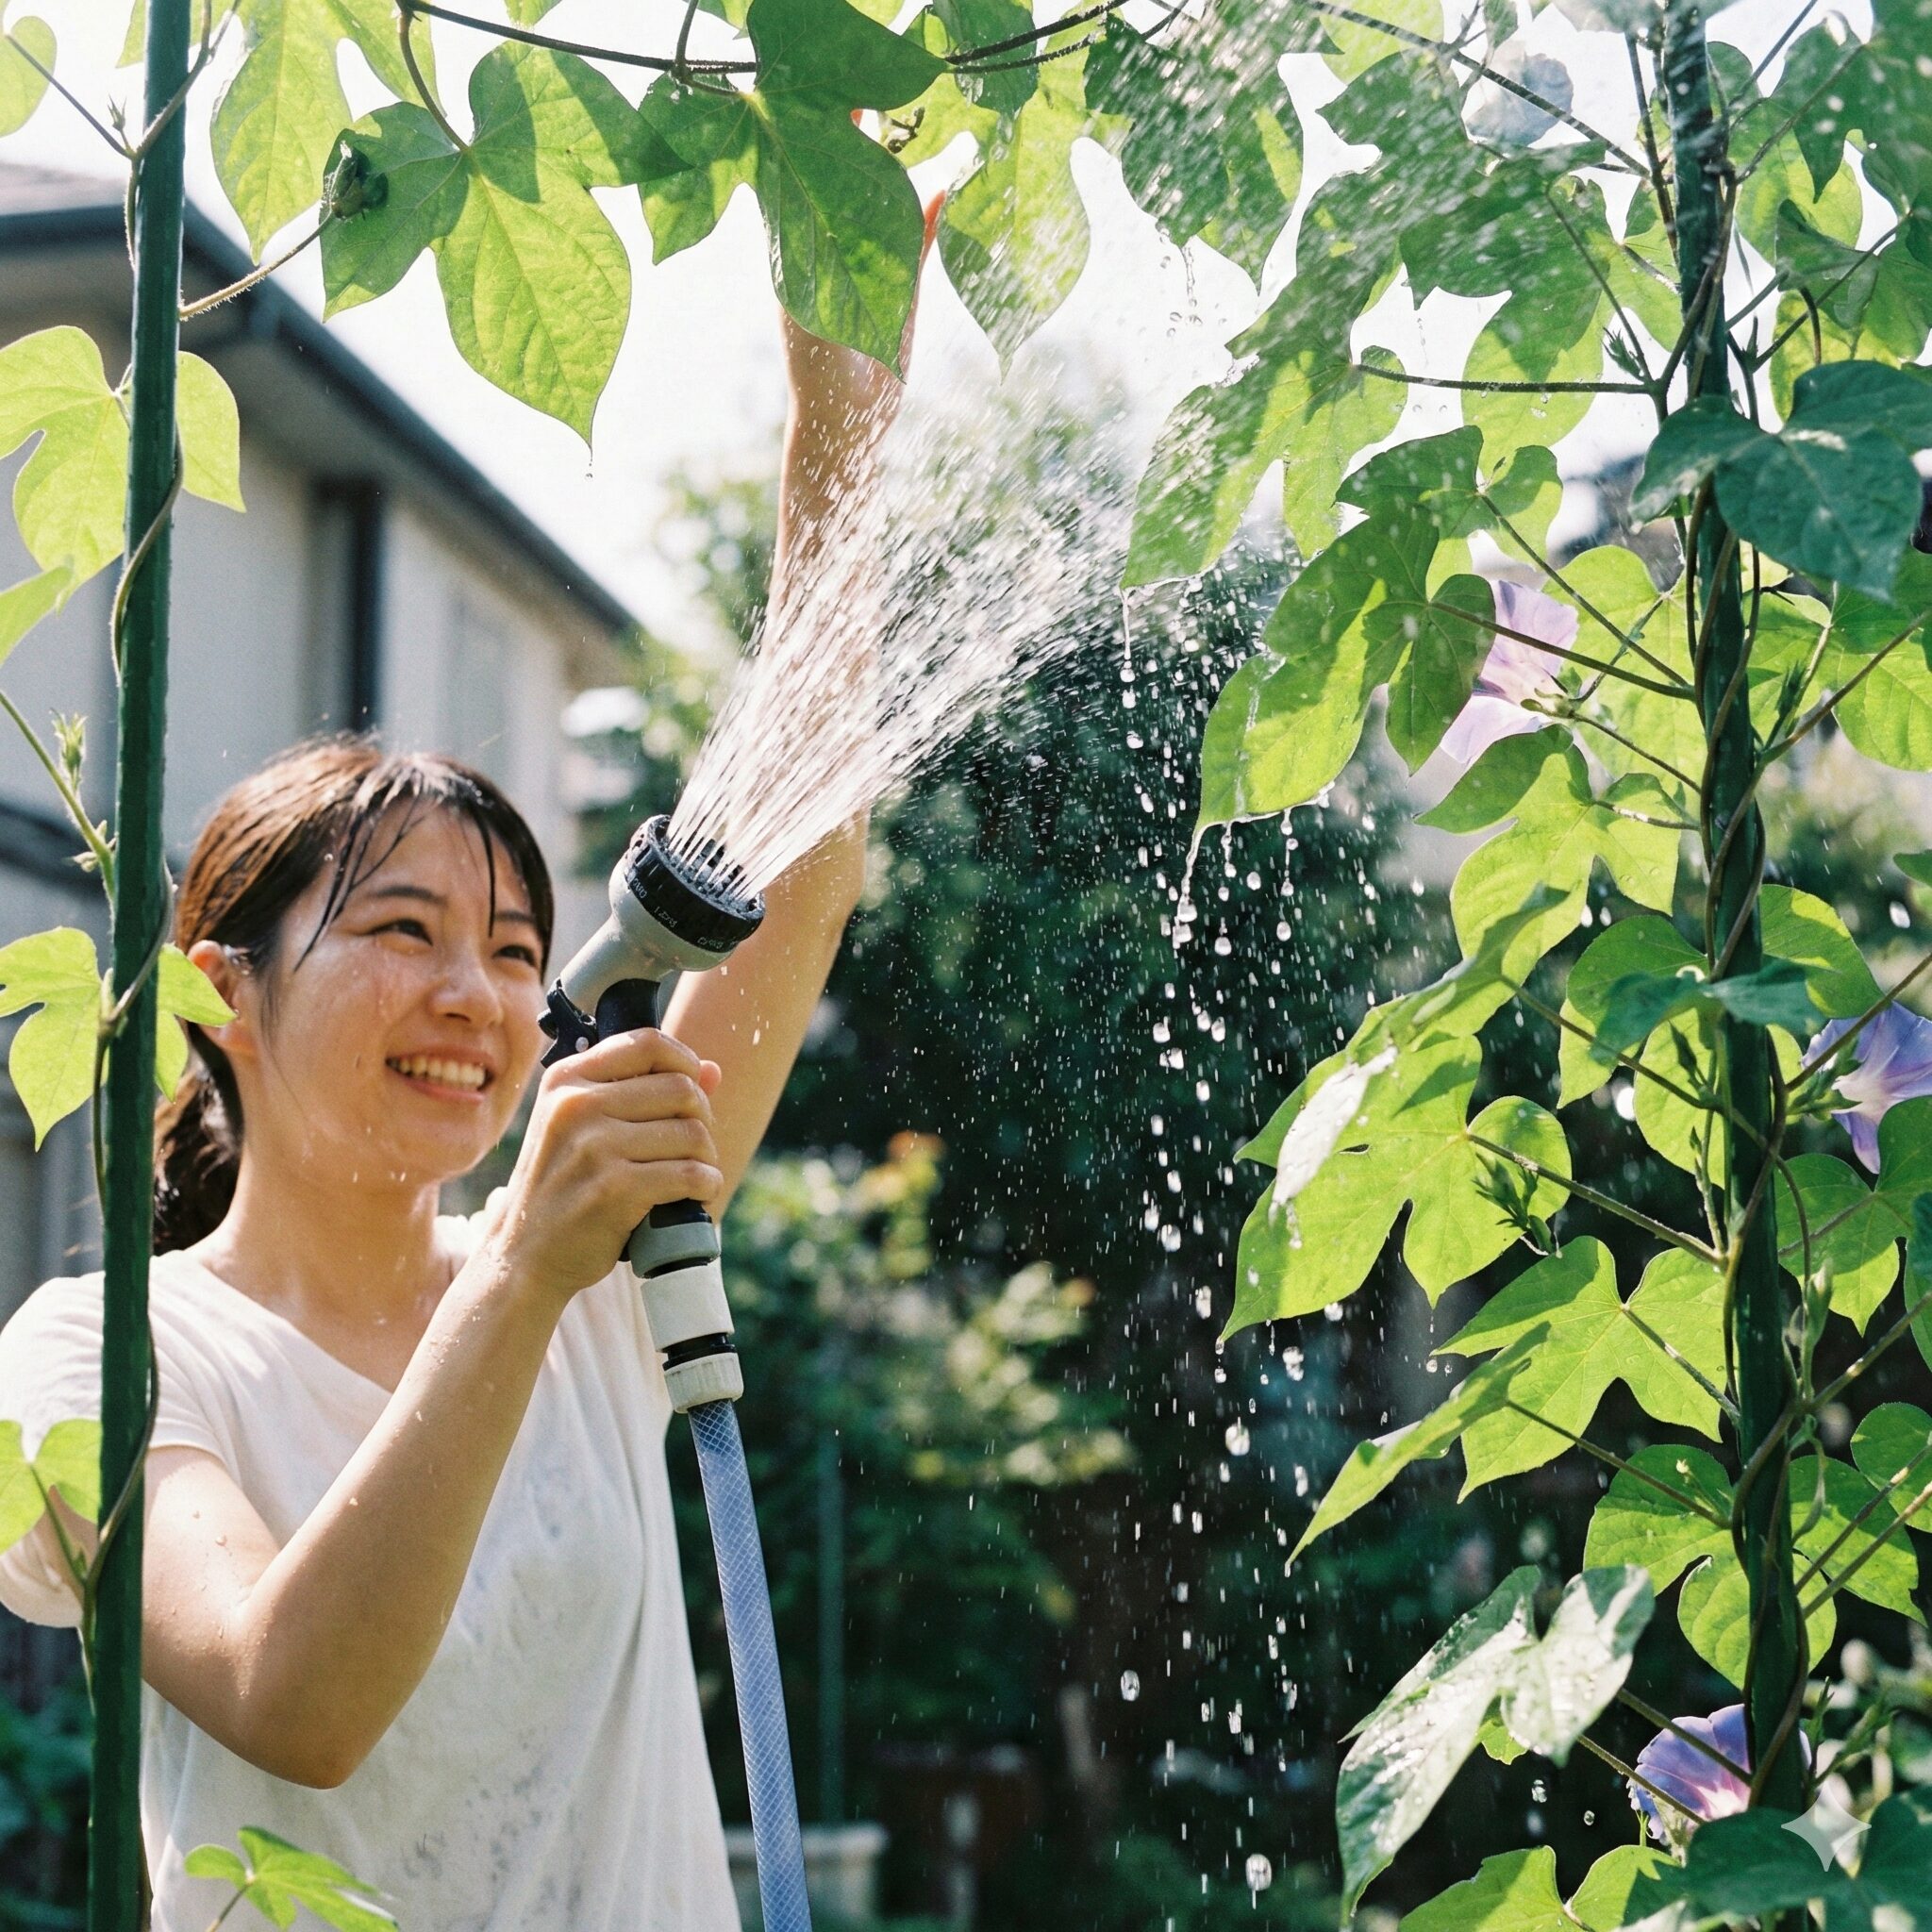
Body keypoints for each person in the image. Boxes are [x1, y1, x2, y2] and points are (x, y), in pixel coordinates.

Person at [0, 219, 939, 1929]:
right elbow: (292, 1698)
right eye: (405, 930)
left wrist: (842, 415)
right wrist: (514, 1274)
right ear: (219, 995)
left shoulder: (596, 1285)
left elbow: (807, 870)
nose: (481, 996)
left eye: (516, 949)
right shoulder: (106, 1352)